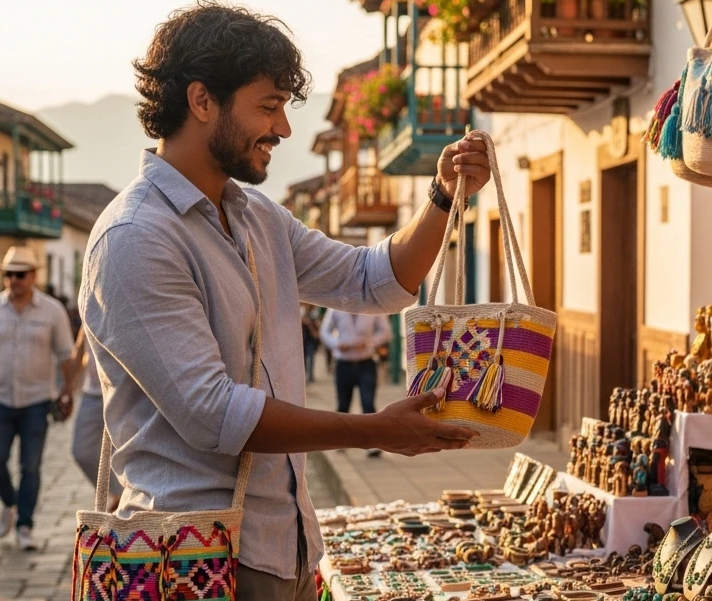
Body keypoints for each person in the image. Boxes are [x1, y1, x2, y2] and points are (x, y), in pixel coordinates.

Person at [79, 5, 490, 598]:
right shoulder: (136, 238)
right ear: (202, 101)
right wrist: (373, 429)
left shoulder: (256, 216)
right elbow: (214, 414)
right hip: (194, 556)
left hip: (284, 543)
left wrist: (443, 197)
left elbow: (372, 280)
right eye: (267, 107)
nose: (283, 130)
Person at [0, 246, 75, 551]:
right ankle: (9, 503)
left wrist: (68, 391)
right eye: (9, 274)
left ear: (34, 276)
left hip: (37, 400)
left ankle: (25, 525)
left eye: (20, 274)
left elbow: (67, 355)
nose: (14, 280)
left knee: (31, 467)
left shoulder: (53, 311)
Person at [320, 309, 393, 456]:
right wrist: (337, 344)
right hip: (343, 364)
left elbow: (386, 332)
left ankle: (372, 443)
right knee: (343, 404)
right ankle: (342, 441)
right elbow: (324, 332)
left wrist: (369, 343)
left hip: (366, 363)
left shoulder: (372, 308)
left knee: (368, 403)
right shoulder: (335, 308)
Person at [65, 328, 122, 510]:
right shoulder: (90, 300)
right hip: (93, 393)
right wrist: (68, 388)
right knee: (81, 451)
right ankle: (118, 493)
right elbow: (80, 349)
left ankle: (129, 502)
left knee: (123, 452)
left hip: (122, 392)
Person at [301, 304, 321, 383]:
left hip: (311, 340)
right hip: (304, 340)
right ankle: (305, 375)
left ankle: (310, 376)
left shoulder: (314, 315)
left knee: (311, 358)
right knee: (304, 359)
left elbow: (316, 328)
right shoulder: (302, 313)